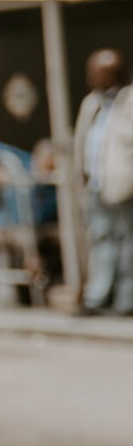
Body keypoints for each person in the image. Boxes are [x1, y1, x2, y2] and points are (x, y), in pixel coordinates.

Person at [72, 49, 133, 315]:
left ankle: (126, 300)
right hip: (96, 183)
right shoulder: (91, 103)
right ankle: (99, 297)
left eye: (98, 71)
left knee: (127, 242)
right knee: (100, 239)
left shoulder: (130, 100)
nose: (92, 76)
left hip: (124, 184)